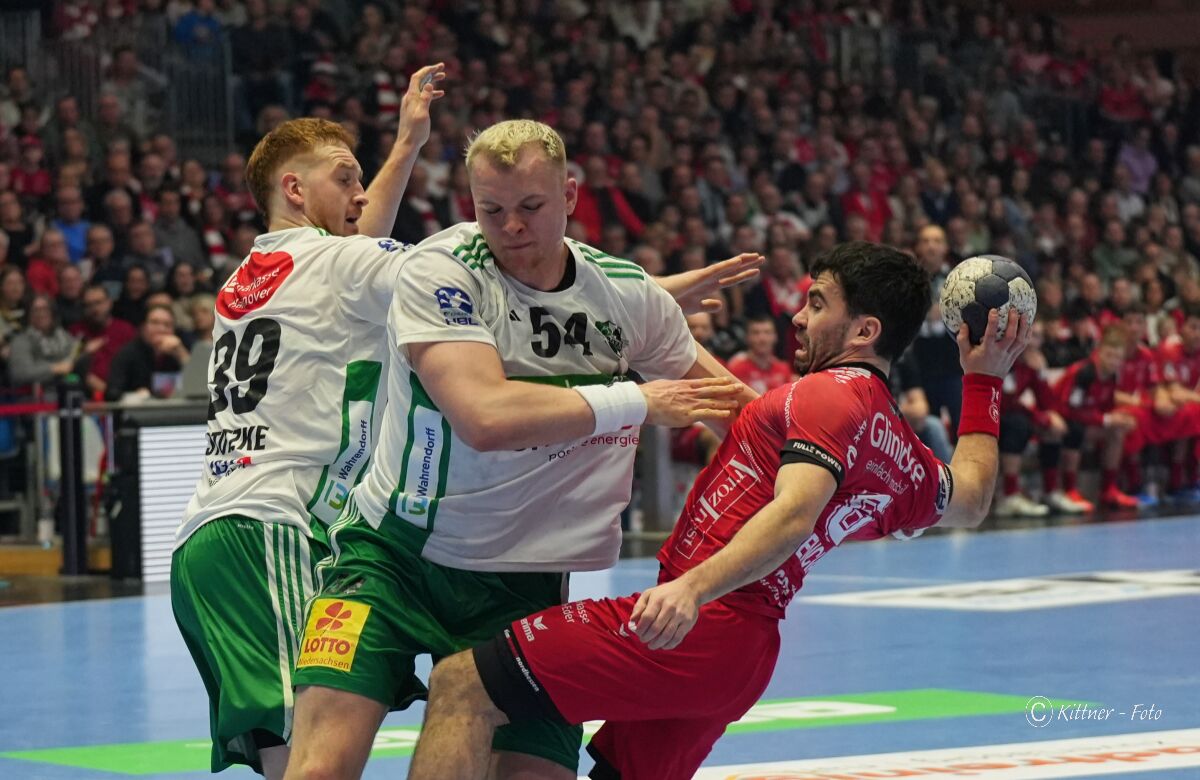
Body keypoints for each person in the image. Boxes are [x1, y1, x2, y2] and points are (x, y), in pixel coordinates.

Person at [405, 241, 1031, 780]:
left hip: (701, 620)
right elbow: (971, 498)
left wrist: (691, 590)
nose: (798, 317)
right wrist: (984, 379)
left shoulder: (828, 396)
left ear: (864, 331)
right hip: (742, 654)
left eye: (817, 305)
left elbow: (794, 513)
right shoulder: (898, 448)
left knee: (462, 684)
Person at [283, 120, 756, 780]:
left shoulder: (625, 294)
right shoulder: (442, 271)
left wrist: (844, 466)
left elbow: (743, 419)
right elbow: (485, 416)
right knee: (318, 770)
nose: (511, 227)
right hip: (395, 557)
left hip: (527, 578)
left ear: (570, 195)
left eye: (531, 206)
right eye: (492, 209)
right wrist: (637, 400)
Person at [171, 64, 450, 779]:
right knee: (317, 755)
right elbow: (443, 281)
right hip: (274, 530)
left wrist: (406, 146)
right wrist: (621, 296)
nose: (360, 195)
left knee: (292, 758)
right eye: (344, 178)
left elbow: (350, 248)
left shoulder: (249, 274)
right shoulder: (332, 262)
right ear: (294, 189)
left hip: (212, 538)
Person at [104, 303, 190, 400]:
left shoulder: (178, 351)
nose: (161, 329)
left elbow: (198, 388)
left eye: (167, 325)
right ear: (143, 327)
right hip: (137, 408)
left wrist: (182, 355)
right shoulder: (127, 354)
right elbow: (112, 393)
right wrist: (135, 396)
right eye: (154, 323)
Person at [726, 313, 795, 394]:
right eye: (756, 333)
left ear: (775, 336)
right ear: (747, 337)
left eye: (767, 332)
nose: (762, 338)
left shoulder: (783, 368)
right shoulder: (736, 367)